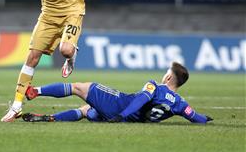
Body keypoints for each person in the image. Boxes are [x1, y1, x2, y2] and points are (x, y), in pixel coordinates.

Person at [22, 62, 213, 124]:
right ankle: (51, 118)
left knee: (80, 87)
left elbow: (140, 100)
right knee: (86, 110)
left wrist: (121, 113)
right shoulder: (180, 104)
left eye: (167, 72)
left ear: (169, 78)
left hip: (119, 107)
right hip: (125, 120)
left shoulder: (154, 86)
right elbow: (196, 117)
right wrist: (207, 118)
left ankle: (35, 91)